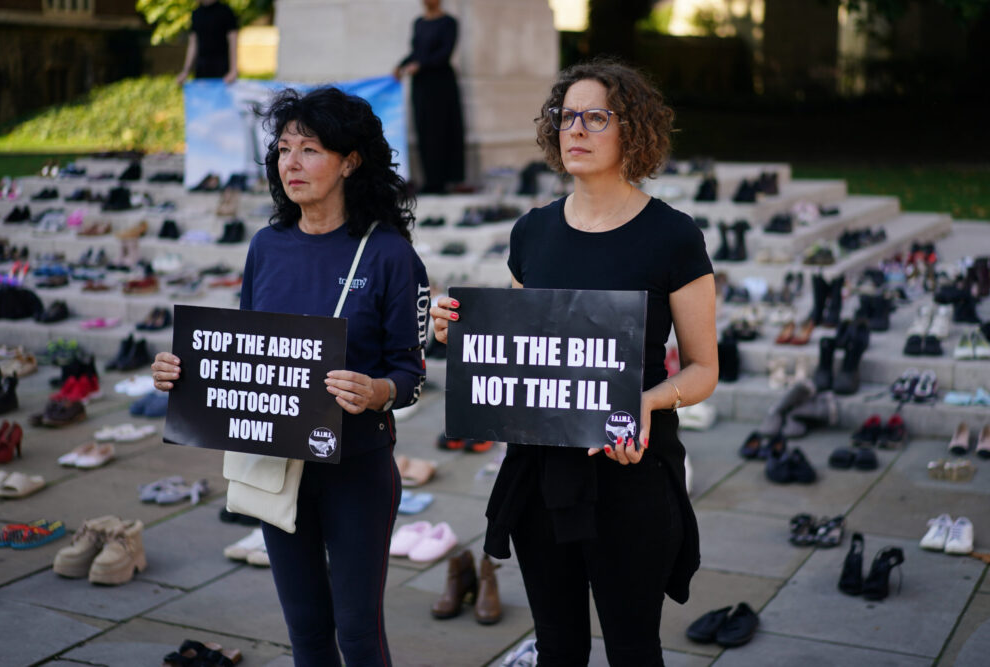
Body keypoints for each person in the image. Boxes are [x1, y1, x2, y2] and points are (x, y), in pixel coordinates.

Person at [430, 60, 719, 666]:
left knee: (633, 649)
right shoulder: (533, 232)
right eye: (566, 117)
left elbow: (702, 368)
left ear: (632, 130)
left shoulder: (672, 236)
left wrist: (645, 402)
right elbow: (521, 351)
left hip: (628, 471)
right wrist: (461, 333)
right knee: (557, 647)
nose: (576, 130)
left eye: (596, 117)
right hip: (542, 475)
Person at [151, 86, 430, 666]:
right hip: (277, 466)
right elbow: (248, 355)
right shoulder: (266, 246)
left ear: (350, 161)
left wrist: (377, 391)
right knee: (305, 631)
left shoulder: (390, 256)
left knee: (358, 634)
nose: (291, 164)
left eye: (310, 150)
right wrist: (185, 373)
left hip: (357, 469)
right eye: (283, 149)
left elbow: (410, 373)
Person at [394, 0, 465, 194]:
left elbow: (445, 53)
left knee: (441, 129)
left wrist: (420, 65)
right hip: (421, 85)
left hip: (441, 84)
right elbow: (416, 52)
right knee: (424, 129)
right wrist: (401, 65)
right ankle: (430, 180)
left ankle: (443, 181)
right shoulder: (419, 22)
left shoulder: (449, 22)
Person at [176, 0, 239, 85]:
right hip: (202, 70)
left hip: (222, 70)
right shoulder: (196, 14)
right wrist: (185, 71)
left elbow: (233, 42)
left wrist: (233, 70)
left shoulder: (226, 11)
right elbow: (193, 45)